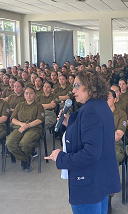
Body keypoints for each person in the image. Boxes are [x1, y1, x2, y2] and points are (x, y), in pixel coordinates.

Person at [45, 69, 120, 214]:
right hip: (100, 177)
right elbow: (91, 135)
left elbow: (90, 152)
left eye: (77, 85)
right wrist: (69, 123)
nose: (73, 90)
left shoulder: (90, 111)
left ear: (90, 86)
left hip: (88, 182)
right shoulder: (101, 106)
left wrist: (61, 157)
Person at [6, 87, 45, 172]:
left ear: (35, 94)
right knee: (9, 143)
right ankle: (26, 158)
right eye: (26, 93)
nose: (29, 95)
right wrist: (22, 124)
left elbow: (40, 119)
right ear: (24, 95)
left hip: (34, 128)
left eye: (31, 93)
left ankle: (26, 159)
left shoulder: (39, 106)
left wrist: (27, 125)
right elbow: (13, 119)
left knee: (24, 143)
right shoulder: (19, 105)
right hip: (20, 127)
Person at [107, 90, 127, 212]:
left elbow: (118, 135)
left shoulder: (121, 114)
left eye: (108, 98)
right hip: (100, 145)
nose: (106, 100)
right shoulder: (98, 113)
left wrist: (103, 134)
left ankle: (108, 198)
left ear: (115, 99)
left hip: (115, 146)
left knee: (110, 160)